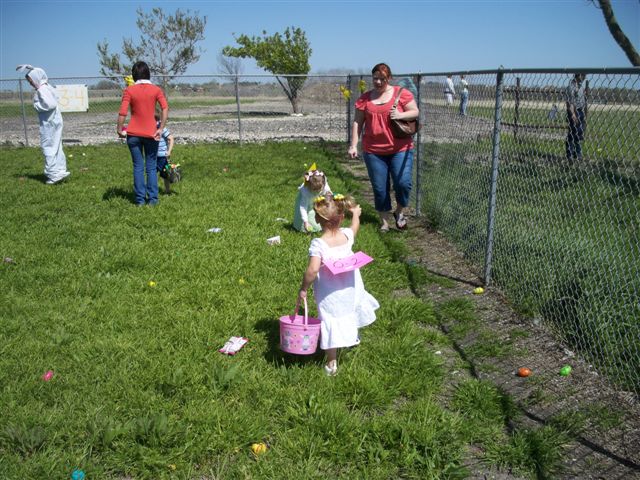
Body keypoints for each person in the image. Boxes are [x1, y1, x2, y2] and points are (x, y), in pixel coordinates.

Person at [297, 194, 379, 376]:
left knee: (330, 319)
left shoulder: (318, 244)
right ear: (341, 217)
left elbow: (312, 270)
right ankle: (350, 337)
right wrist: (356, 213)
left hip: (329, 293)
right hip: (350, 287)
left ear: (317, 219)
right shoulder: (346, 236)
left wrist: (303, 288)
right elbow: (354, 228)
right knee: (348, 312)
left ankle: (332, 362)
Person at [348, 63, 419, 232]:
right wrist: (353, 145)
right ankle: (384, 222)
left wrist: (400, 114)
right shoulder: (365, 99)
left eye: (383, 79)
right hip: (374, 151)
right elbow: (358, 122)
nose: (378, 82)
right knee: (380, 187)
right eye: (375, 78)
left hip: (400, 148)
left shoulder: (401, 93)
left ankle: (399, 212)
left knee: (403, 184)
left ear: (389, 78)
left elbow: (415, 112)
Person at [117, 61, 169, 206]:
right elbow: (165, 108)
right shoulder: (156, 90)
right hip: (152, 134)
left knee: (138, 167)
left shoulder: (129, 91)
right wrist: (161, 128)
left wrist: (119, 128)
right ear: (148, 73)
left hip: (133, 134)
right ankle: (153, 200)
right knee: (151, 167)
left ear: (134, 75)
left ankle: (140, 200)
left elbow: (122, 112)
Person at [16, 64, 70, 185]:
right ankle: (60, 170)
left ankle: (52, 174)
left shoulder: (41, 90)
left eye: (31, 81)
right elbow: (56, 99)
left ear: (36, 78)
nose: (30, 83)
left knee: (48, 146)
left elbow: (50, 104)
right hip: (55, 121)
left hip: (49, 123)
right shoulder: (47, 87)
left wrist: (36, 105)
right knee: (56, 146)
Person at [293, 163, 332, 233]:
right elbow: (303, 207)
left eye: (320, 189)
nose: (318, 191)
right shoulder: (305, 191)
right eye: (314, 189)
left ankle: (319, 227)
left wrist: (328, 200)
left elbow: (328, 193)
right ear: (308, 186)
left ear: (323, 183)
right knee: (307, 216)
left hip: (317, 201)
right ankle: (302, 228)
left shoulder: (324, 185)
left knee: (317, 213)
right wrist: (305, 221)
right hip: (307, 203)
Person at [565, 73, 587, 161]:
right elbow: (569, 103)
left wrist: (584, 114)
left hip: (580, 111)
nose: (585, 77)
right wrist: (573, 114)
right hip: (574, 111)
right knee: (572, 133)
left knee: (579, 133)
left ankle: (577, 153)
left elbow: (584, 101)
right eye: (583, 75)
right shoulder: (571, 87)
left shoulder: (581, 86)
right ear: (579, 75)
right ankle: (570, 154)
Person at [155, 113, 175, 194]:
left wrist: (169, 151)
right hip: (153, 156)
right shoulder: (150, 128)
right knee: (152, 173)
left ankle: (167, 190)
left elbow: (171, 138)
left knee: (165, 174)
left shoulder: (161, 128)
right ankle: (153, 190)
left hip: (162, 156)